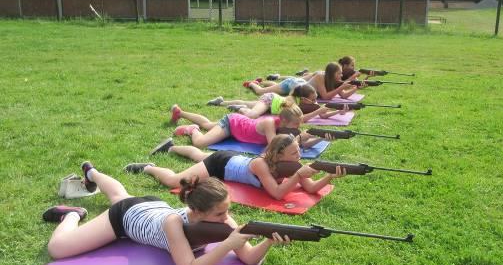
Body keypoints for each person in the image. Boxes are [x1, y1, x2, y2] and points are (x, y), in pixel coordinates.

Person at [42, 162, 288, 265]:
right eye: (220, 215)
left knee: (119, 194)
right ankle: (72, 214)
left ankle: (92, 174)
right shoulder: (174, 223)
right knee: (58, 248)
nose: (227, 219)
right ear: (198, 212)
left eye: (228, 211)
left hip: (151, 206)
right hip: (126, 217)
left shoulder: (220, 218)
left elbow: (248, 258)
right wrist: (227, 245)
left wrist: (268, 240)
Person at [125, 134, 346, 200]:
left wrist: (330, 177)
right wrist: (299, 174)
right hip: (220, 164)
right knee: (176, 181)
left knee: (199, 154)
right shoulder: (261, 164)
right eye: (294, 153)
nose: (299, 156)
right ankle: (149, 168)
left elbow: (310, 189)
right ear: (278, 155)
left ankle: (172, 148)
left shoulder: (292, 165)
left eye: (299, 151)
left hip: (233, 157)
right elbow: (277, 194)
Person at [169, 100, 325, 149]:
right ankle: (192, 130)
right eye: (296, 124)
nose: (298, 128)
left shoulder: (286, 126)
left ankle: (180, 113)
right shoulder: (270, 123)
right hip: (233, 124)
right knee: (200, 143)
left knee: (209, 124)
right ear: (284, 121)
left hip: (239, 126)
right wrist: (300, 139)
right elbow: (274, 146)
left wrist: (320, 137)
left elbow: (301, 142)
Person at [206, 84, 349, 120]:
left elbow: (323, 115)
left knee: (248, 102)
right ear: (304, 99)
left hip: (271, 105)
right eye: (313, 99)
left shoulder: (305, 104)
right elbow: (301, 119)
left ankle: (221, 102)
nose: (315, 101)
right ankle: (239, 108)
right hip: (270, 100)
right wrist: (318, 110)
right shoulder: (293, 103)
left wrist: (338, 111)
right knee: (252, 115)